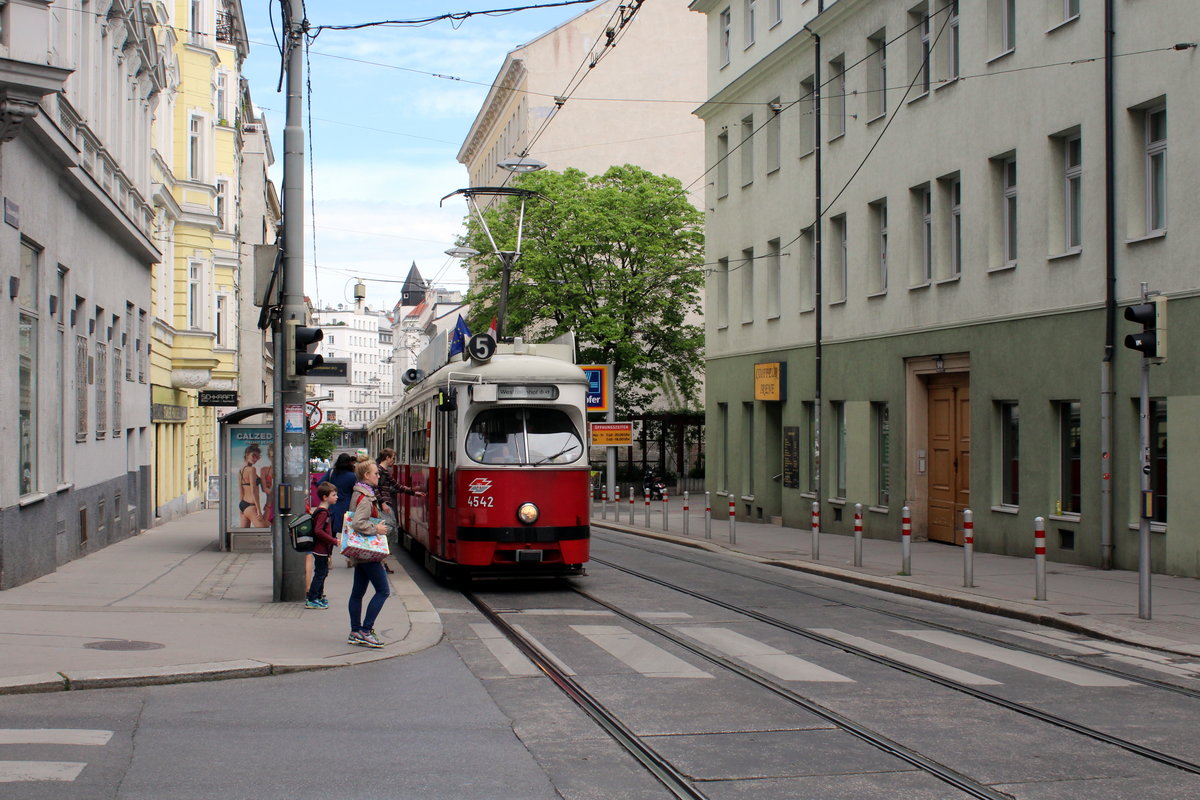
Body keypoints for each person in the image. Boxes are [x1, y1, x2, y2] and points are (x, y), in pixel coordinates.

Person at [346, 459, 391, 648]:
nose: (378, 476)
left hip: (360, 552)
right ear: (366, 476)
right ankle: (366, 630)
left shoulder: (358, 493)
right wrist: (377, 529)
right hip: (368, 552)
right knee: (383, 591)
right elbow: (358, 523)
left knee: (357, 593)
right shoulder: (365, 497)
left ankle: (355, 631)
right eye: (376, 473)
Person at [306, 482, 339, 609]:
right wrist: (333, 540)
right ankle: (312, 598)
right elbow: (318, 531)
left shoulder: (322, 511)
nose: (336, 497)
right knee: (320, 573)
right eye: (334, 495)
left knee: (323, 573)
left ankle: (318, 596)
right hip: (320, 548)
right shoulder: (323, 512)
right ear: (325, 497)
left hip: (322, 548)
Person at [325, 453, 358, 565]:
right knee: (348, 534)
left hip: (333, 507)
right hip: (347, 508)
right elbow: (356, 490)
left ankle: (328, 557)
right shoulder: (352, 476)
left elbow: (320, 484)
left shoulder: (332, 473)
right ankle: (349, 557)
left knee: (331, 534)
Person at [237, 444, 267, 528]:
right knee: (264, 530)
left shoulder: (241, 470)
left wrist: (241, 508)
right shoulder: (252, 470)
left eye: (258, 457)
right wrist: (259, 510)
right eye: (253, 455)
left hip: (243, 505)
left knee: (243, 535)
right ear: (247, 455)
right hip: (251, 506)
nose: (255, 459)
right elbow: (253, 490)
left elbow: (241, 490)